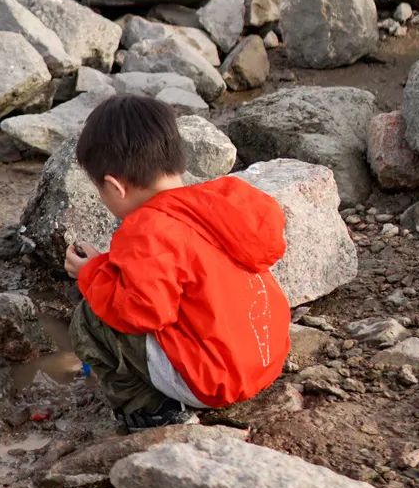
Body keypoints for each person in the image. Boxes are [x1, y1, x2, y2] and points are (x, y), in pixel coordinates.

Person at [65, 93, 291, 430]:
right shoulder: (218, 202)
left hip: (212, 382)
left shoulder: (146, 229)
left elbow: (140, 313)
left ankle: (150, 413)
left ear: (114, 186)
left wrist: (92, 273)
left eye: (101, 190)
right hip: (264, 360)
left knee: (92, 317)